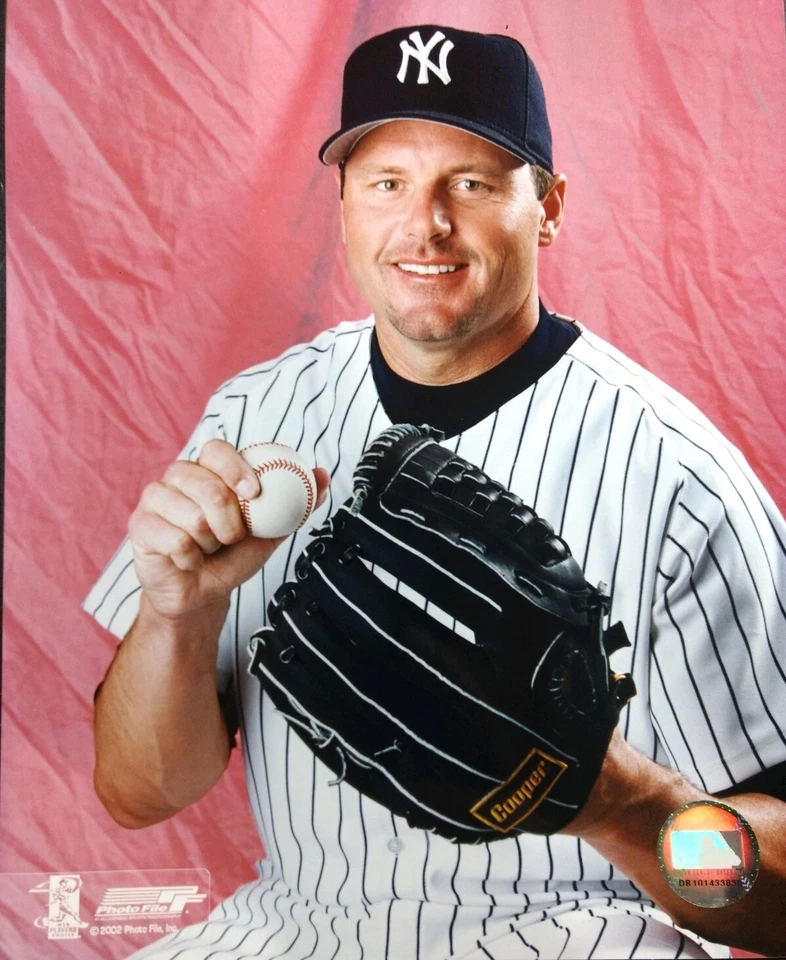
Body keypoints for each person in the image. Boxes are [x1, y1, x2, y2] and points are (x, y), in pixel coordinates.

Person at [84, 25, 786, 960]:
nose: (426, 225)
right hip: (288, 933)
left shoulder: (677, 477)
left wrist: (620, 802)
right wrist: (177, 614)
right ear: (343, 206)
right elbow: (138, 795)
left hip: (581, 940)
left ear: (549, 208)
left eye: (473, 183)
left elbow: (779, 902)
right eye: (387, 183)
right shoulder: (255, 415)